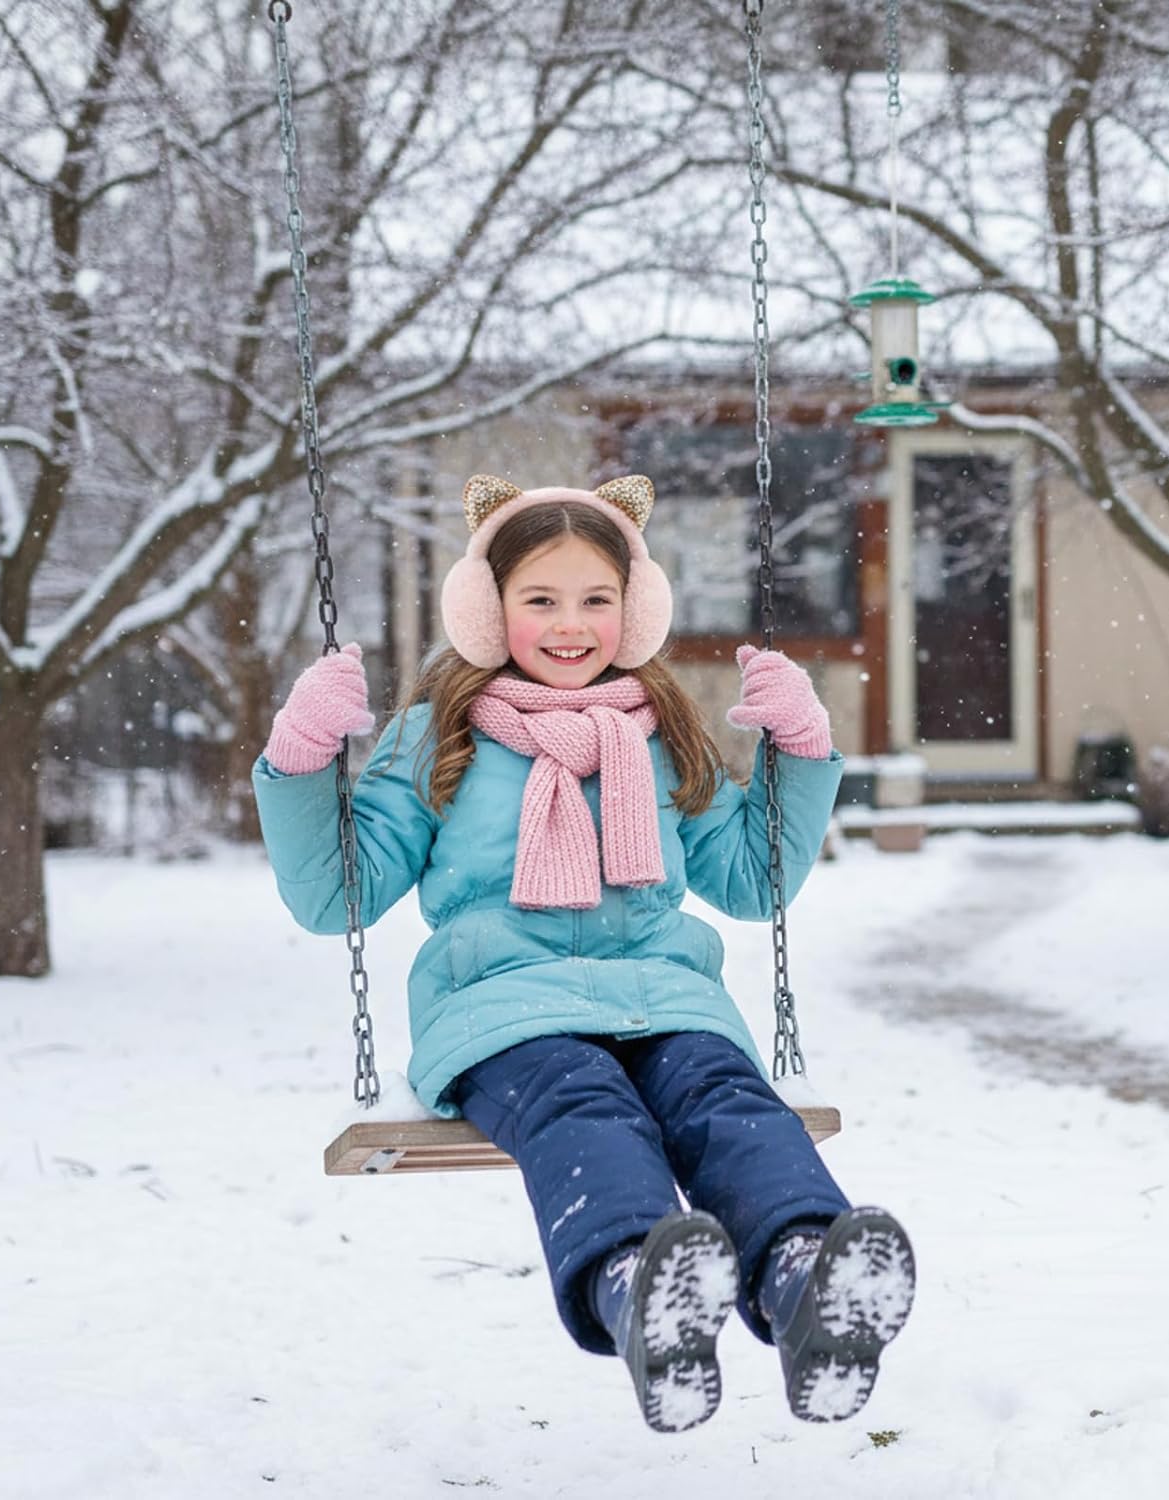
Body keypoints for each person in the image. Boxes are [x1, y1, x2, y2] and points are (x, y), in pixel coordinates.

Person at [253, 474, 915, 1433]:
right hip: (503, 1008)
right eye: (541, 599)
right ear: (487, 610)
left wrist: (800, 749)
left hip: (664, 998)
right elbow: (336, 895)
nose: (571, 625)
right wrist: (303, 755)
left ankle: (808, 1279)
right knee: (581, 1101)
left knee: (724, 1097)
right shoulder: (436, 736)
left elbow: (751, 879)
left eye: (597, 599)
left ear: (634, 609)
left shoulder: (663, 733)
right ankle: (638, 1285)